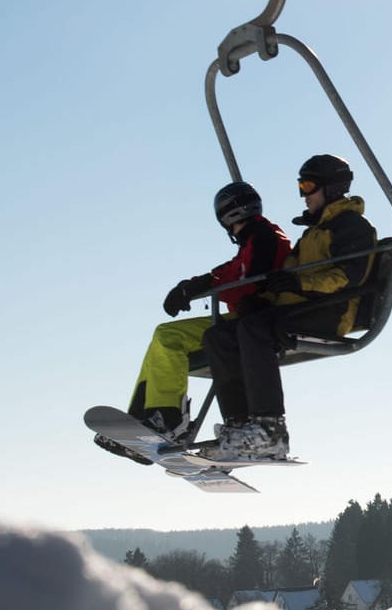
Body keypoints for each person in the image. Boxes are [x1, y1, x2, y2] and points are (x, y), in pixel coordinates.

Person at [199, 154, 379, 462]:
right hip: (302, 307)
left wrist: (300, 285)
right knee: (220, 336)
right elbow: (292, 275)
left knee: (255, 328)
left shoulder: (352, 226)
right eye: (301, 186)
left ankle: (269, 430)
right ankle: (240, 428)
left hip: (330, 311)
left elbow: (346, 276)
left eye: (308, 186)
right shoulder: (314, 231)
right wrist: (265, 297)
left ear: (332, 188)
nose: (303, 194)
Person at [98, 180, 291, 464]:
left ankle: (166, 419)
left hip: (253, 317)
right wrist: (199, 283)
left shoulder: (265, 238)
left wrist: (204, 288)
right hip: (247, 315)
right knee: (164, 338)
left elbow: (246, 281)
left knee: (169, 338)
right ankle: (147, 416)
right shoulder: (259, 238)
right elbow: (232, 272)